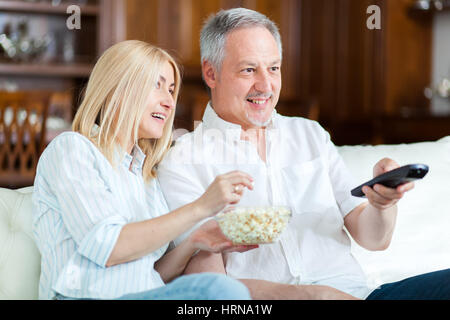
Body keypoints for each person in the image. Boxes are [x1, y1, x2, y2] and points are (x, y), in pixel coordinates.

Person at [157, 8, 450, 300]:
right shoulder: (184, 161)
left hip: (361, 295)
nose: (266, 85)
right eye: (249, 70)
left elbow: (374, 238)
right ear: (211, 73)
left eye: (273, 68)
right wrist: (311, 296)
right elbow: (211, 285)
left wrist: (383, 203)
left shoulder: (310, 136)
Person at [31, 40, 256, 300]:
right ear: (116, 89)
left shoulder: (144, 175)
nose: (169, 102)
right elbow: (109, 247)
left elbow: (150, 276)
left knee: (224, 290)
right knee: (222, 290)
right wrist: (201, 207)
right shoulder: (72, 150)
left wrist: (195, 240)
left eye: (171, 90)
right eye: (156, 85)